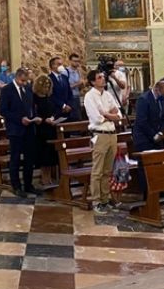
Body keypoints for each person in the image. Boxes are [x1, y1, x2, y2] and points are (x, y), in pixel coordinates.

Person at [83, 70, 122, 214]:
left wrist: (106, 114)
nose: (103, 79)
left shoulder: (107, 94)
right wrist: (107, 115)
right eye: (99, 78)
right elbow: (97, 118)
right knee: (98, 170)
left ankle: (105, 198)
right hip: (100, 135)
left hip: (112, 134)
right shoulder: (89, 96)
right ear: (93, 81)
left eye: (103, 77)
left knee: (108, 170)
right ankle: (96, 200)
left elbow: (118, 114)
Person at [0, 68, 39, 197]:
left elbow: (31, 107)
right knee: (15, 158)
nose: (24, 83)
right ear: (17, 77)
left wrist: (35, 118)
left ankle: (28, 184)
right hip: (15, 129)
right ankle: (16, 186)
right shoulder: (7, 90)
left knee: (29, 158)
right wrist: (20, 119)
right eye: (22, 80)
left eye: (26, 81)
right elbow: (3, 111)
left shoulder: (27, 89)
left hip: (29, 129)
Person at [32, 74, 58, 186]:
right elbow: (33, 114)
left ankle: (48, 176)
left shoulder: (48, 98)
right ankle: (44, 177)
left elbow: (53, 110)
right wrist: (44, 120)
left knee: (50, 155)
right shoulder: (34, 98)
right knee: (43, 155)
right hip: (40, 130)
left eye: (48, 86)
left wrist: (53, 117)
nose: (47, 88)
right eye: (44, 85)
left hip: (51, 129)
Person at [134, 81, 164, 153]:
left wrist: (160, 132)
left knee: (159, 161)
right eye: (162, 94)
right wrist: (153, 135)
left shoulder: (163, 98)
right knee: (146, 162)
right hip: (144, 137)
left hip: (158, 137)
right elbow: (142, 121)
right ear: (156, 89)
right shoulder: (144, 99)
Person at [48, 56, 78, 121]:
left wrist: (69, 105)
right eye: (59, 64)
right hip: (56, 111)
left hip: (68, 111)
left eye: (61, 64)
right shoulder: (49, 79)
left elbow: (70, 93)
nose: (61, 66)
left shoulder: (64, 77)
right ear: (53, 66)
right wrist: (63, 106)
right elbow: (51, 95)